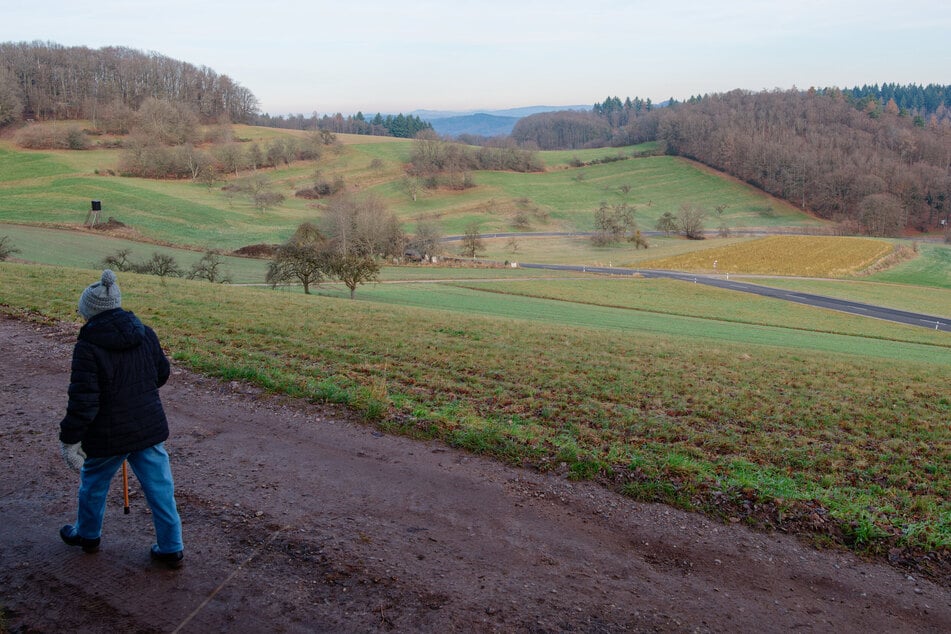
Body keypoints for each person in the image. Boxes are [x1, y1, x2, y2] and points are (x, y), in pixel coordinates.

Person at [58, 269, 184, 569]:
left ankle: (88, 535)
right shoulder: (146, 333)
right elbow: (161, 374)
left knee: (93, 485)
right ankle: (172, 547)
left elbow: (83, 400)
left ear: (89, 311)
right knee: (161, 489)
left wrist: (70, 439)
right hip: (147, 428)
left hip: (107, 436)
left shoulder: (87, 346)